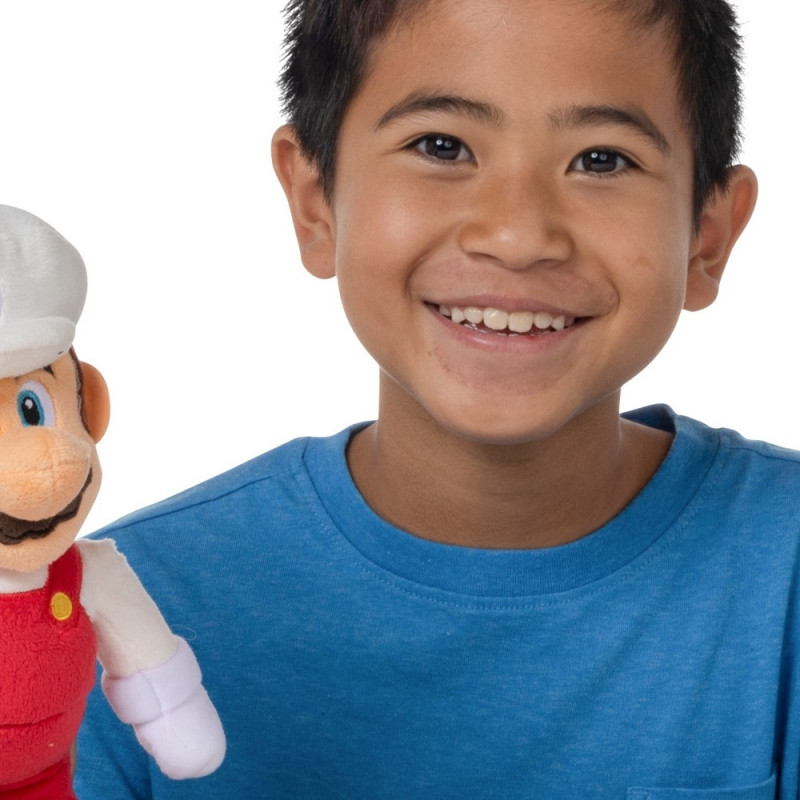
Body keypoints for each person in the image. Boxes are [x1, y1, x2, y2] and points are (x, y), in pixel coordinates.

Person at [74, 0, 795, 796]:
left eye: (602, 160)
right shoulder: (115, 613)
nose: (517, 236)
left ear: (707, 236)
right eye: (441, 146)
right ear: (315, 201)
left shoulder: (782, 572)